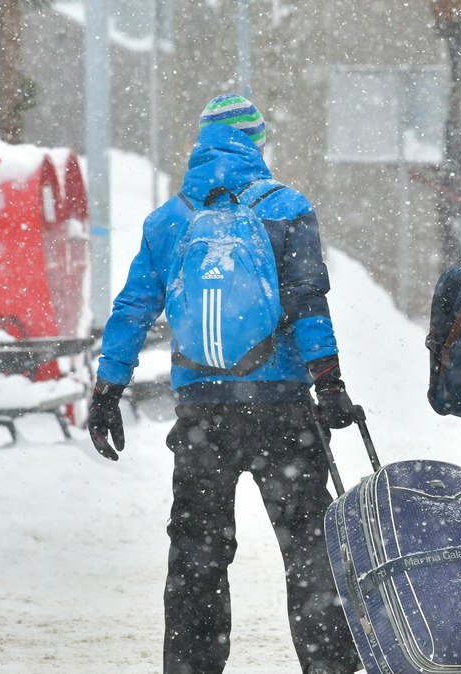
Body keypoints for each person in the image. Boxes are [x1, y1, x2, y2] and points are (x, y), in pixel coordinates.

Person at [86, 94, 359, 674]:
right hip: (282, 409)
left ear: (203, 144)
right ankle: (330, 667)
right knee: (311, 554)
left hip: (203, 415)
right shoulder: (285, 206)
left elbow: (133, 308)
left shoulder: (169, 220)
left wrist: (108, 388)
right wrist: (329, 382)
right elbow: (309, 305)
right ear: (256, 143)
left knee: (197, 562)